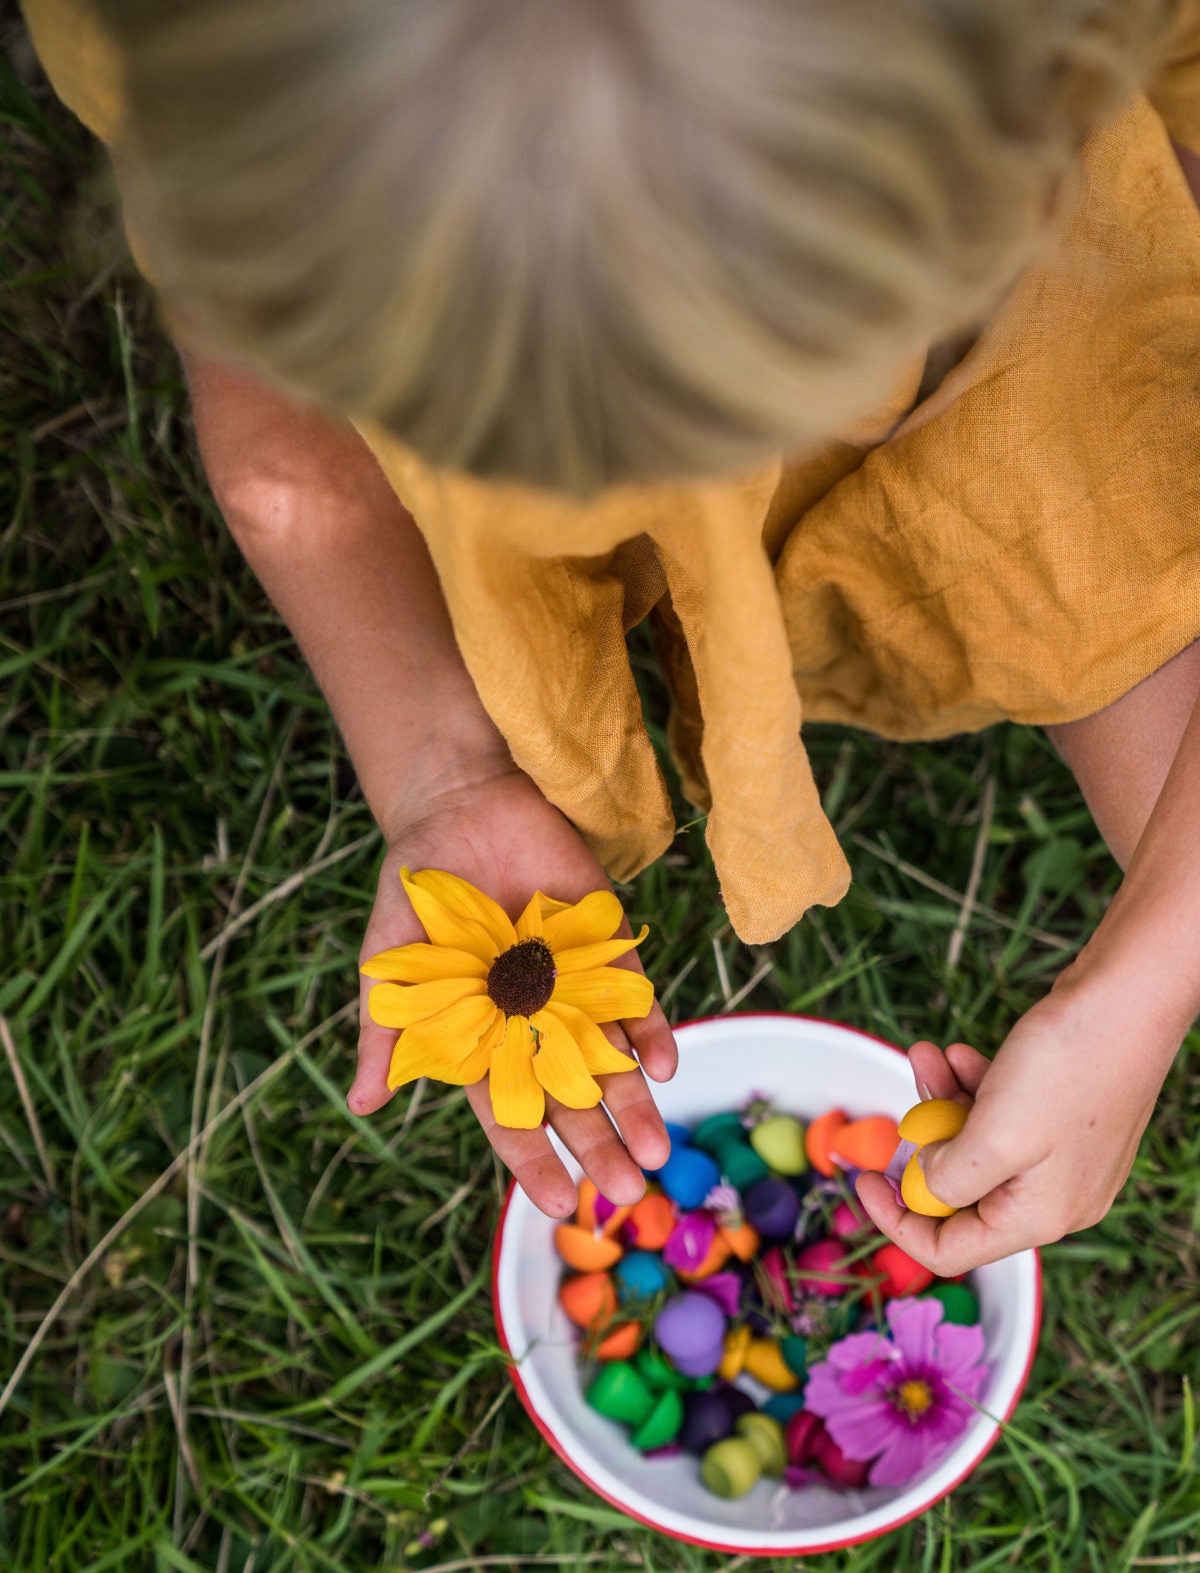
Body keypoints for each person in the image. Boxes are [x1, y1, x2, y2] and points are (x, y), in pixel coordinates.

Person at [20, 0, 1200, 1269]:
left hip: (1028, 359)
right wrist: (440, 762)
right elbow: (292, 472)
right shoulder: (254, 106)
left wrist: (1139, 991)